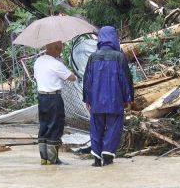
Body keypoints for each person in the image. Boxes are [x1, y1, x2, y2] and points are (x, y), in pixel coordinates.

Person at [83, 26, 133, 167]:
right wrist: (128, 99)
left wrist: (87, 98)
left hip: (96, 101)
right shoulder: (119, 57)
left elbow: (87, 80)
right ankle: (108, 153)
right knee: (114, 127)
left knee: (96, 128)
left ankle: (97, 159)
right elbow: (125, 80)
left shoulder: (93, 57)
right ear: (114, 38)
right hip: (115, 100)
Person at [33, 40, 76, 165]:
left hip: (41, 97)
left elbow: (36, 77)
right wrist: (63, 66)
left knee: (44, 125)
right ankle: (53, 159)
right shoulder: (56, 64)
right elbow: (72, 78)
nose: (61, 50)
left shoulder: (38, 61)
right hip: (54, 98)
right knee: (55, 126)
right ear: (56, 48)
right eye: (61, 48)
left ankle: (44, 158)